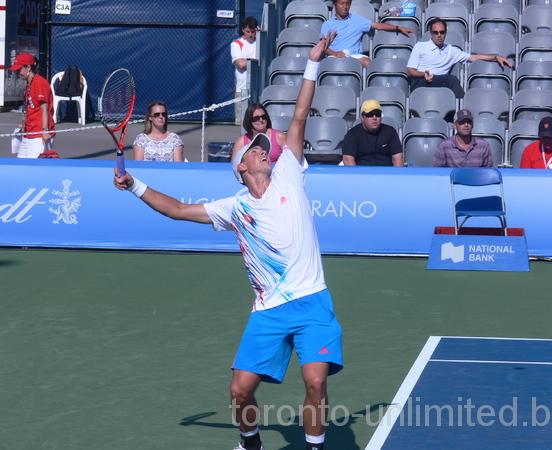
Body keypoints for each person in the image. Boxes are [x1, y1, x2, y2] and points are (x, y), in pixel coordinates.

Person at [114, 33, 342, 450]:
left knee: (314, 381)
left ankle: (314, 446)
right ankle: (250, 440)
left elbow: (301, 114)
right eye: (255, 148)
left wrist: (313, 63)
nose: (263, 148)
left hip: (312, 301)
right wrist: (133, 185)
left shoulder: (289, 172)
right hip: (268, 310)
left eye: (263, 146)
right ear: (240, 167)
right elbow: (178, 210)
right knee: (239, 391)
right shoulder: (234, 208)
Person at [406, 18, 513, 98]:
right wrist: (423, 74)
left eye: (442, 32)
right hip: (421, 82)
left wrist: (495, 56)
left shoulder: (451, 50)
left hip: (440, 83)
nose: (439, 35)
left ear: (445, 33)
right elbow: (409, 71)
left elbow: (474, 57)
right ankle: (464, 107)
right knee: (451, 79)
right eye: (436, 32)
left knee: (448, 81)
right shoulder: (420, 46)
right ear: (431, 33)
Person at [321, 0, 413, 69]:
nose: (345, 6)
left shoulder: (357, 19)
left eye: (347, 3)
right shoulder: (327, 24)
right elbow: (323, 46)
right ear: (334, 5)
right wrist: (335, 54)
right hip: (334, 56)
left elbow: (377, 25)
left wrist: (398, 28)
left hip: (354, 56)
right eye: (341, 3)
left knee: (368, 63)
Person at [9, 53, 55, 158]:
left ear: (29, 67)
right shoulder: (29, 84)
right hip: (29, 131)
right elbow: (30, 107)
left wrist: (45, 131)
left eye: (19, 69)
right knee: (21, 163)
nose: (17, 73)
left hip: (39, 133)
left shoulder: (40, 83)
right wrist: (24, 123)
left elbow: (45, 109)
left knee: (35, 167)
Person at [342, 99, 404, 166]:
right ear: (362, 117)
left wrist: (394, 175)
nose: (374, 118)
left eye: (377, 114)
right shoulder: (352, 134)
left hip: (386, 174)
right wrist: (357, 176)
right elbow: (348, 159)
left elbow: (399, 158)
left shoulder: (390, 132)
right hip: (362, 174)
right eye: (370, 115)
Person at [231, 16, 259, 125]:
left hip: (258, 89)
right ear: (243, 30)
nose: (250, 35)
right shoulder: (236, 44)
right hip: (242, 89)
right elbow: (241, 64)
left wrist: (246, 60)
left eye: (253, 32)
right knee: (242, 123)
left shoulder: (261, 41)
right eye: (248, 32)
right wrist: (256, 60)